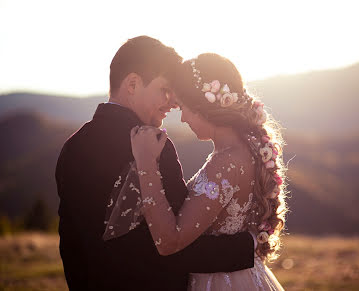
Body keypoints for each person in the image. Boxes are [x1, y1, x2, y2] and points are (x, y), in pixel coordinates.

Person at [56, 36, 255, 291]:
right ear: (133, 84)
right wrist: (247, 246)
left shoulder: (72, 147)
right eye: (164, 90)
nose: (172, 102)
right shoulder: (155, 147)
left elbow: (71, 243)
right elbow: (173, 244)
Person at [106, 53, 287, 290]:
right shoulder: (247, 150)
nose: (182, 118)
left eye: (184, 107)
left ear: (203, 106)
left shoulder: (225, 164)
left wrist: (146, 163)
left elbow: (170, 241)